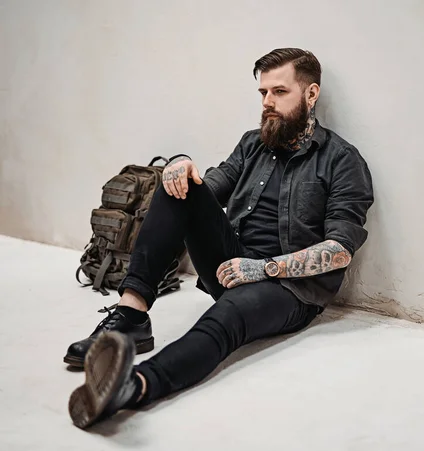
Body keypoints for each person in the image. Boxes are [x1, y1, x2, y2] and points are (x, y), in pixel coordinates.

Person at [66, 48, 374, 429]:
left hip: (290, 289)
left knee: (224, 318)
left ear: (311, 95)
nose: (268, 103)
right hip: (231, 265)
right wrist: (182, 172)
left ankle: (134, 386)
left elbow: (340, 250)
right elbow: (209, 190)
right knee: (175, 182)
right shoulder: (253, 144)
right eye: (263, 93)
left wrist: (261, 269)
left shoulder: (342, 160)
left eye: (280, 92)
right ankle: (131, 314)